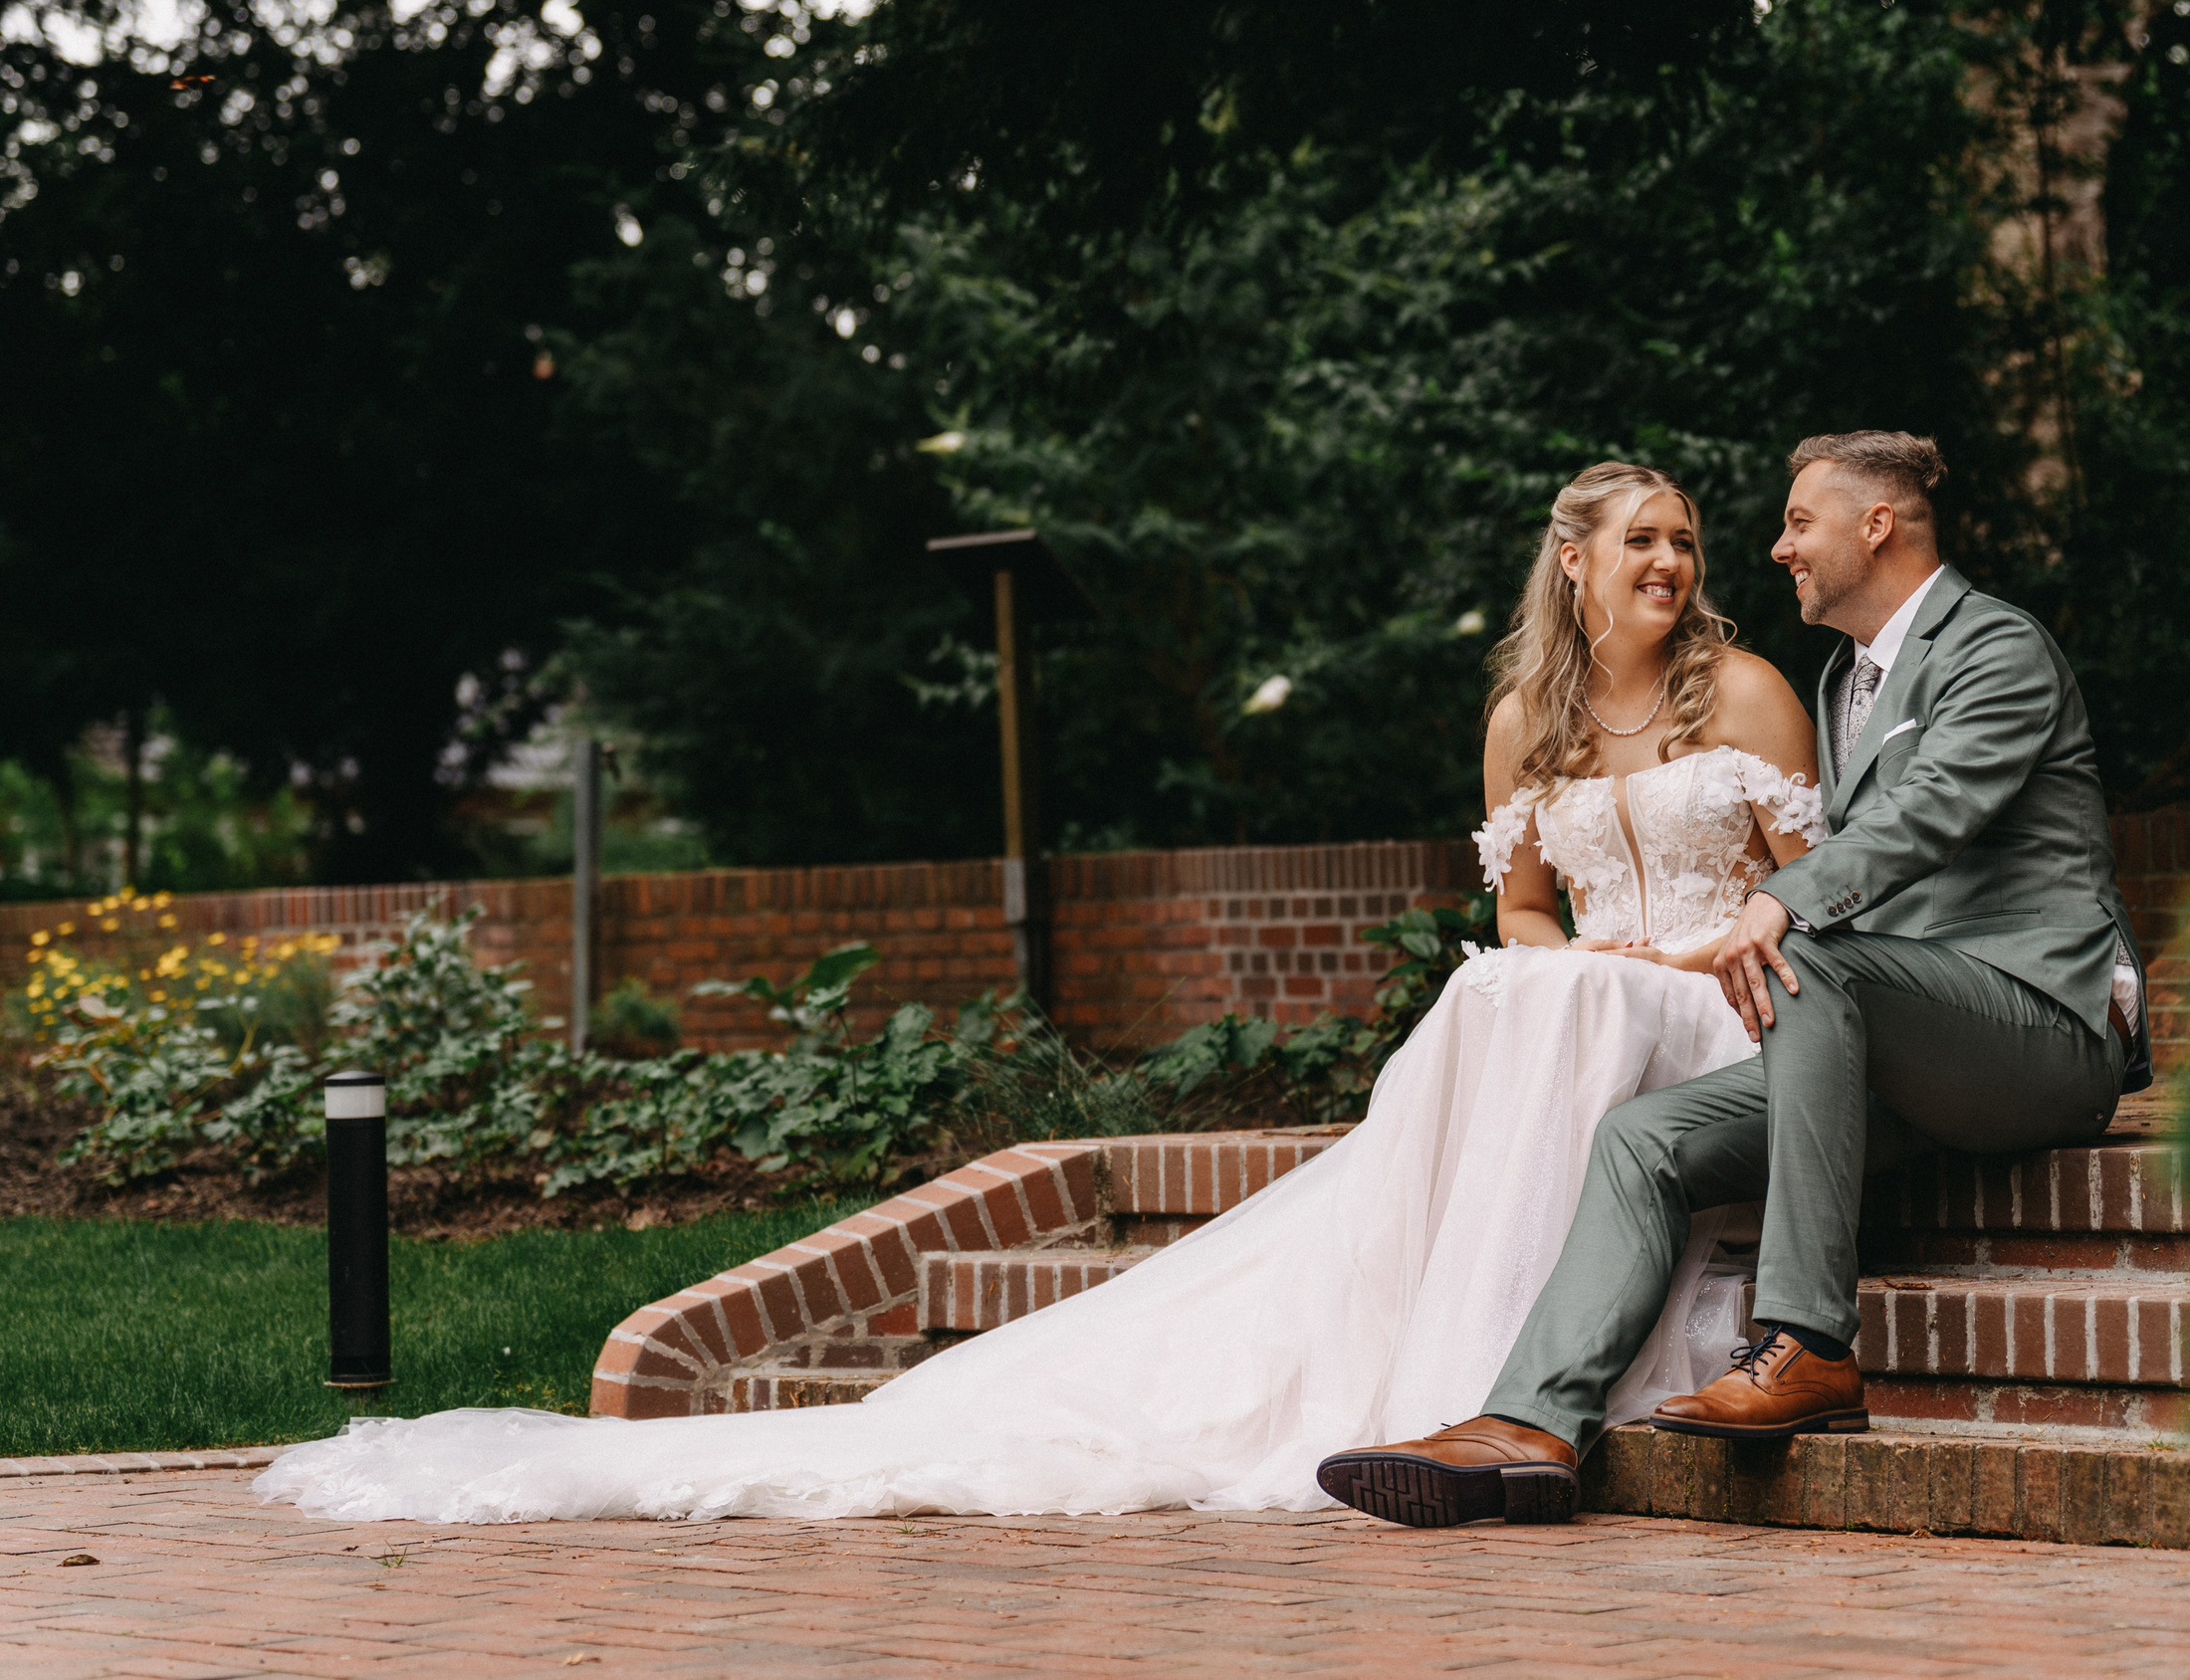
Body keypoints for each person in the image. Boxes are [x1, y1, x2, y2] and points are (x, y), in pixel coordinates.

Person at [253, 461, 1827, 1524]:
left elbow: (1806, 888)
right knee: (1509, 993)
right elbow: (1527, 915)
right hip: (1580, 997)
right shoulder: (1520, 720)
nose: (1675, 565)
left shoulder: (1746, 692)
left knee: (1550, 1006)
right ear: (1573, 560)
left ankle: (1509, 1386)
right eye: (1646, 541)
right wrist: (1577, 966)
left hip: (1714, 998)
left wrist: (1668, 956)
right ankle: (1460, 1372)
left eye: (1688, 541)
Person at [1315, 430, 2153, 1530]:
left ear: (1875, 525)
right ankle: (1531, 1424)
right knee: (1643, 1138)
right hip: (1915, 1044)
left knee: (1805, 949)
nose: (1775, 547)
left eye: (1799, 522)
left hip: (2038, 1027)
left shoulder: (1994, 647)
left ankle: (1807, 1341)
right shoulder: (1847, 679)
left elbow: (1930, 810)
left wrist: (1779, 901)